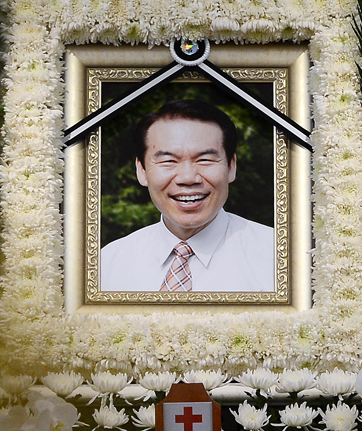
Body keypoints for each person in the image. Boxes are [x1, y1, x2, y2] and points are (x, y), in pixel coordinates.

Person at [100, 100, 275, 293]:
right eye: (168, 161)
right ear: (141, 171)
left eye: (205, 160)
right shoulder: (108, 265)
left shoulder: (280, 257)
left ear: (231, 167)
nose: (188, 178)